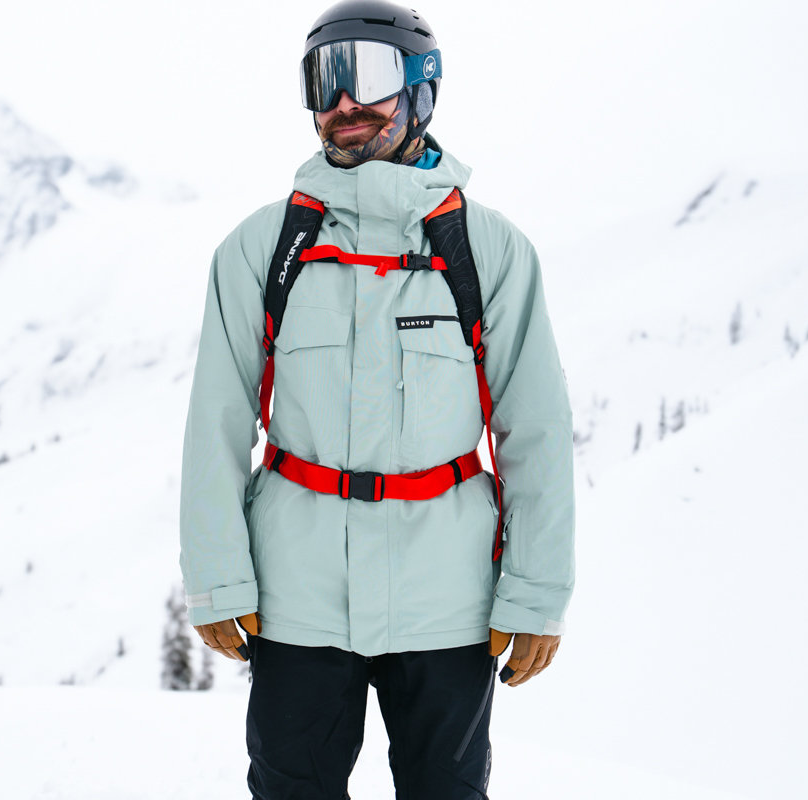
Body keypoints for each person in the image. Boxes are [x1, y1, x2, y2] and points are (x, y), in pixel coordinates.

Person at [178, 2, 575, 797]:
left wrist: (537, 592)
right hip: (297, 597)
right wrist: (216, 577)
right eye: (323, 81)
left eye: (368, 75)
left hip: (448, 598)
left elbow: (534, 429)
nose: (342, 104)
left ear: (423, 87)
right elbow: (217, 421)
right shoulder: (264, 246)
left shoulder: (489, 249)